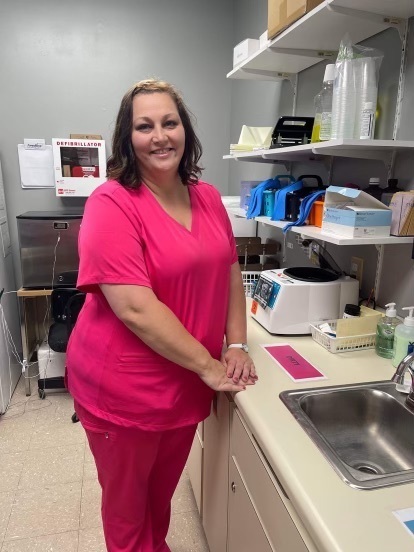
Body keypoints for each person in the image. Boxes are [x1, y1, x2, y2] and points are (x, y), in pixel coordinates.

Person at [66, 78, 257, 552]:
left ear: (185, 130)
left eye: (169, 123)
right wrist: (209, 365)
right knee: (128, 514)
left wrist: (236, 343)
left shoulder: (207, 196)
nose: (159, 137)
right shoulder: (112, 204)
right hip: (125, 392)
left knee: (158, 501)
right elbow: (135, 308)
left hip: (184, 384)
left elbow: (230, 270)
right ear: (126, 138)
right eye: (144, 126)